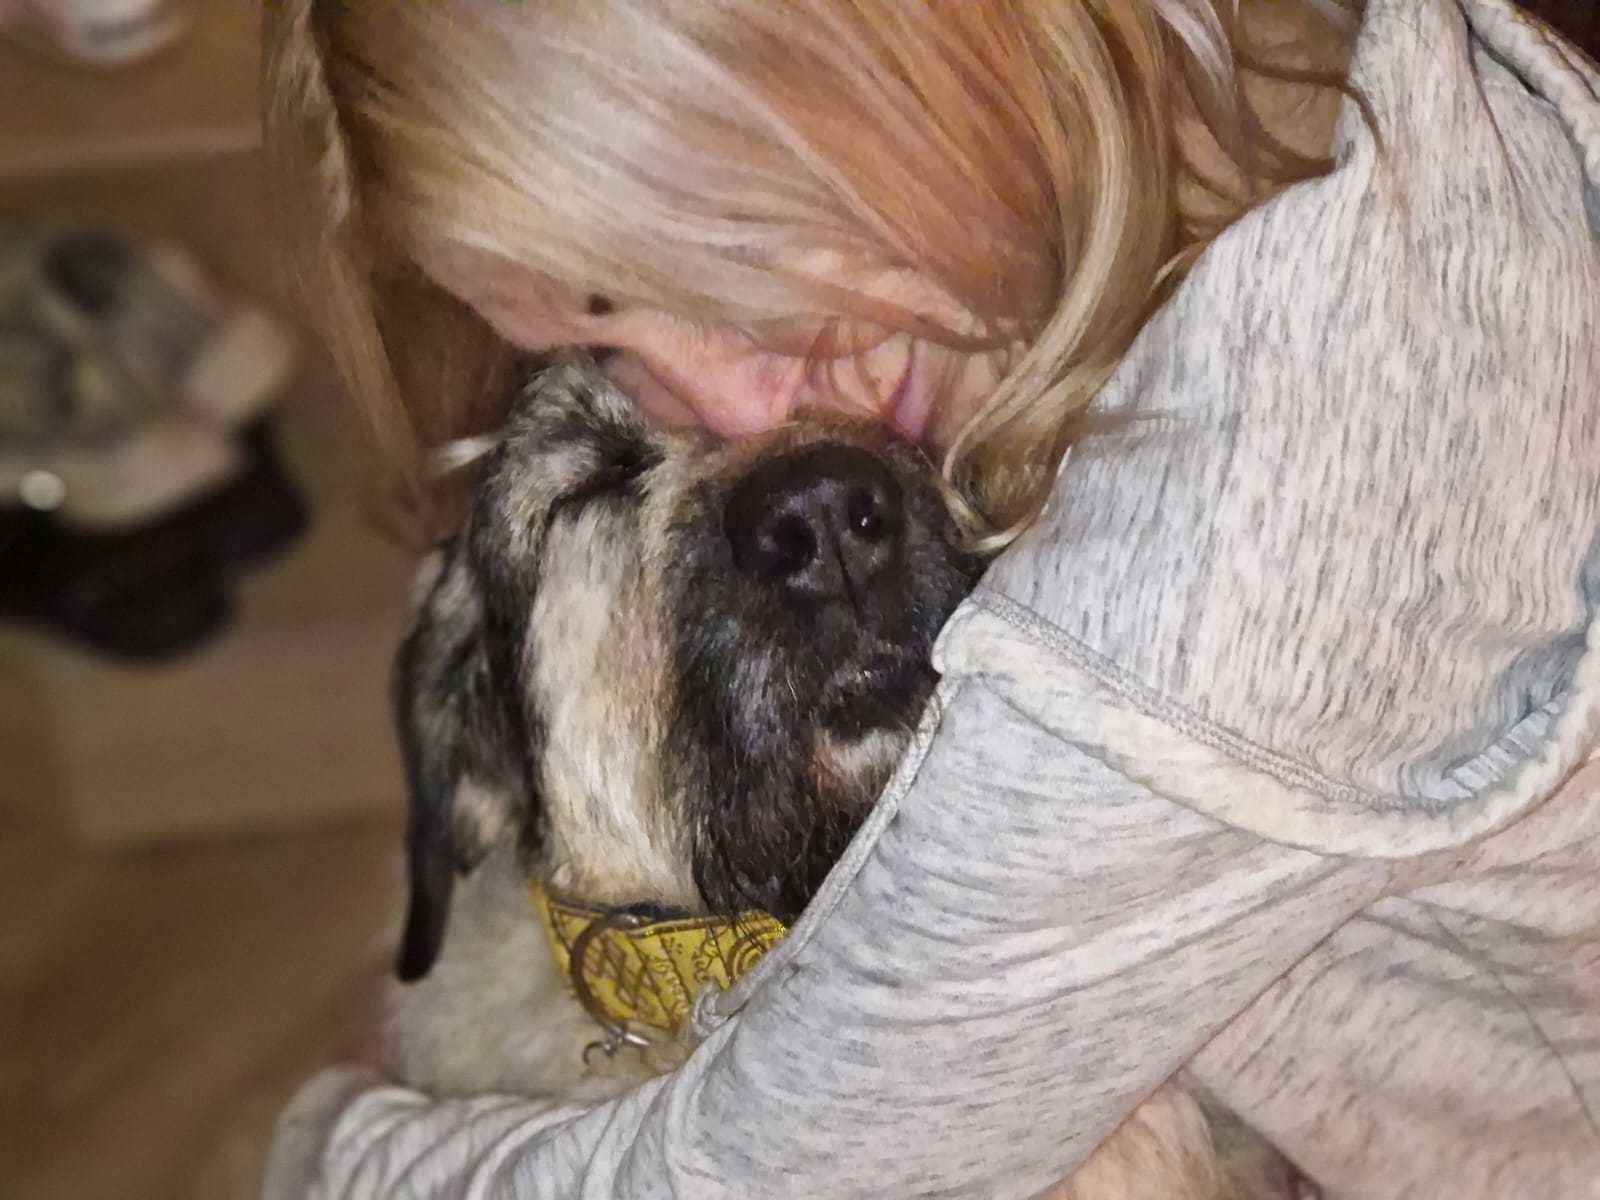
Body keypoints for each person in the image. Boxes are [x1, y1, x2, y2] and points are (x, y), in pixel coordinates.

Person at [261, 0, 1600, 1196]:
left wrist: (334, 1139)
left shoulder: (1217, 581)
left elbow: (764, 1173)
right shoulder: (1340, 107)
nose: (746, 421)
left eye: (731, 249)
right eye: (598, 347)